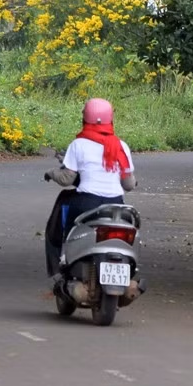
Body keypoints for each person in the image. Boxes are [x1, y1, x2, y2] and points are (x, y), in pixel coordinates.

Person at [43, 97, 136, 278]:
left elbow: (66, 179)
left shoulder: (78, 144)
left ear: (84, 119)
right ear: (111, 120)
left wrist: (50, 172)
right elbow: (129, 184)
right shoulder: (121, 146)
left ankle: (61, 266)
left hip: (86, 203)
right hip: (117, 205)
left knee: (63, 229)